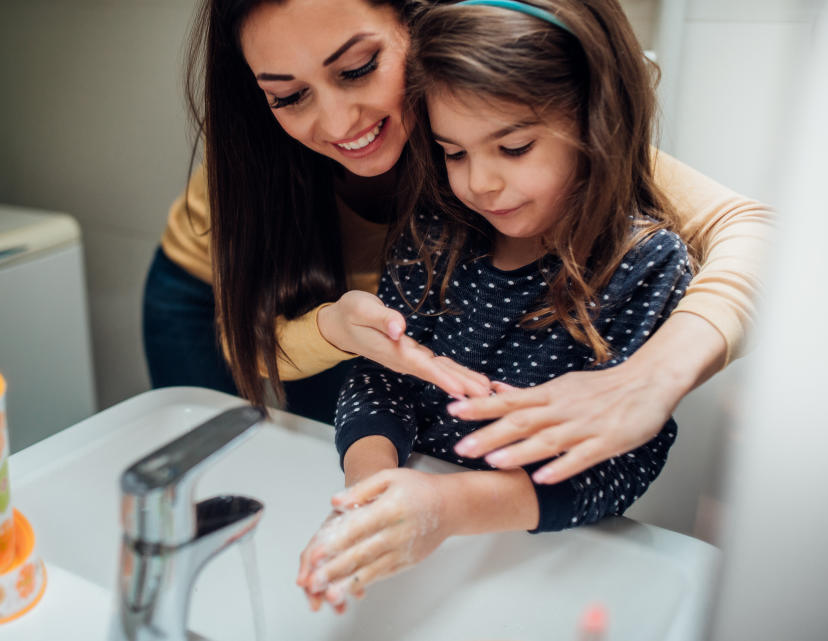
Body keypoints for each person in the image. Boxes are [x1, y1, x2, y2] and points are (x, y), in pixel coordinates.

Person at [143, 0, 769, 473]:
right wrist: (331, 329)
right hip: (222, 303)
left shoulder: (492, 117)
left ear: (417, 24)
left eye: (359, 69)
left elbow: (756, 233)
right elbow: (246, 348)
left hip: (373, 334)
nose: (337, 123)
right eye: (288, 96)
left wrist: (652, 378)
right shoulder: (255, 165)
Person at [296, 0, 695, 610]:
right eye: (454, 152)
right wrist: (373, 486)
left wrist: (446, 508)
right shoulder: (435, 229)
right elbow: (383, 378)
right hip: (420, 523)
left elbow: (619, 462)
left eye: (512, 148)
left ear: (596, 121)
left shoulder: (644, 263)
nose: (477, 182)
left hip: (544, 557)